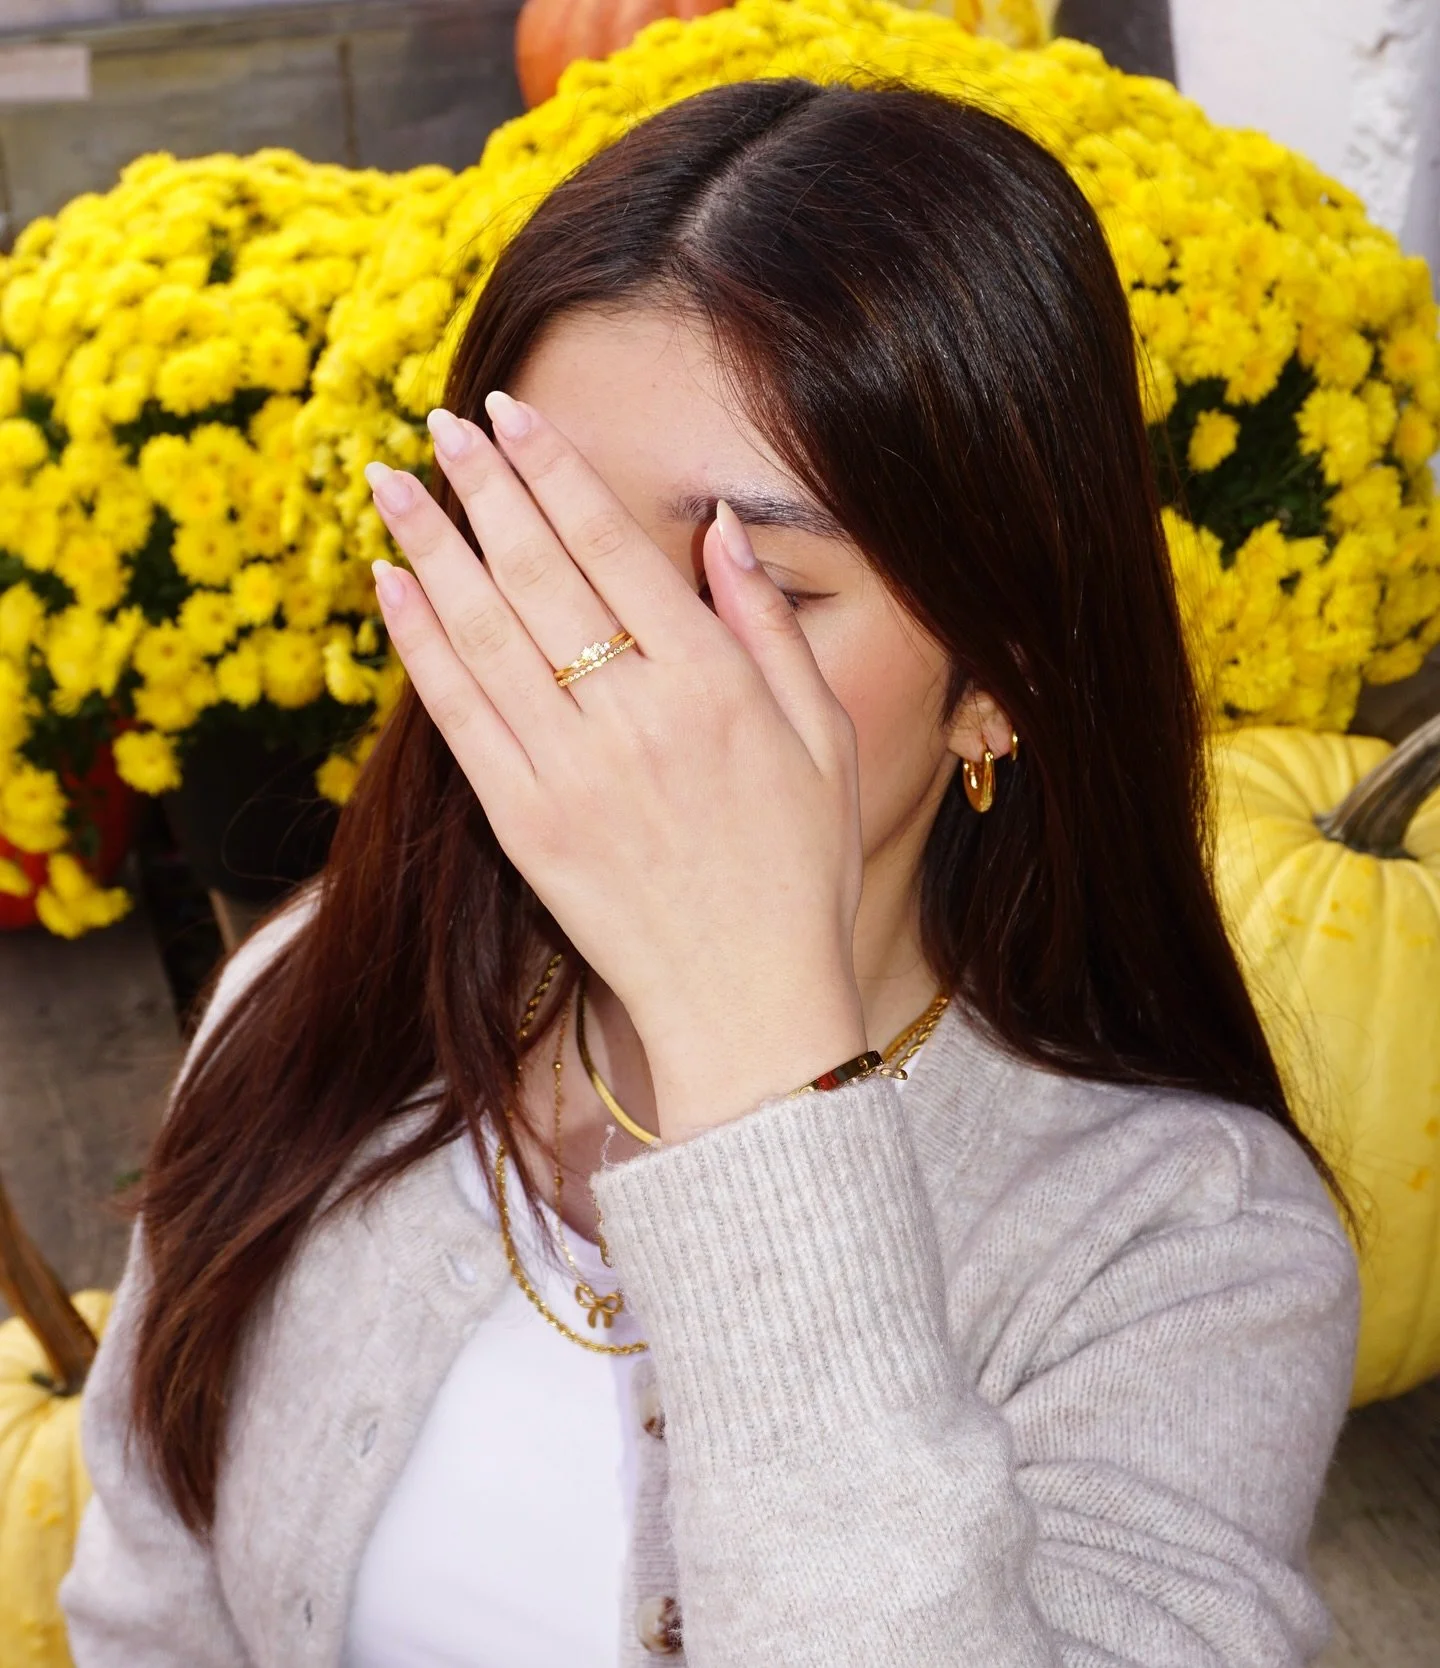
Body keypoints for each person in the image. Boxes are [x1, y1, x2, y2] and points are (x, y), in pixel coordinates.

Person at [61, 74, 1362, 1668]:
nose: (619, 668)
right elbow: (146, 1615)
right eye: (559, 551)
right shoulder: (312, 1003)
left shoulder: (1188, 1251)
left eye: (757, 583)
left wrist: (751, 1037)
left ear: (1001, 674)